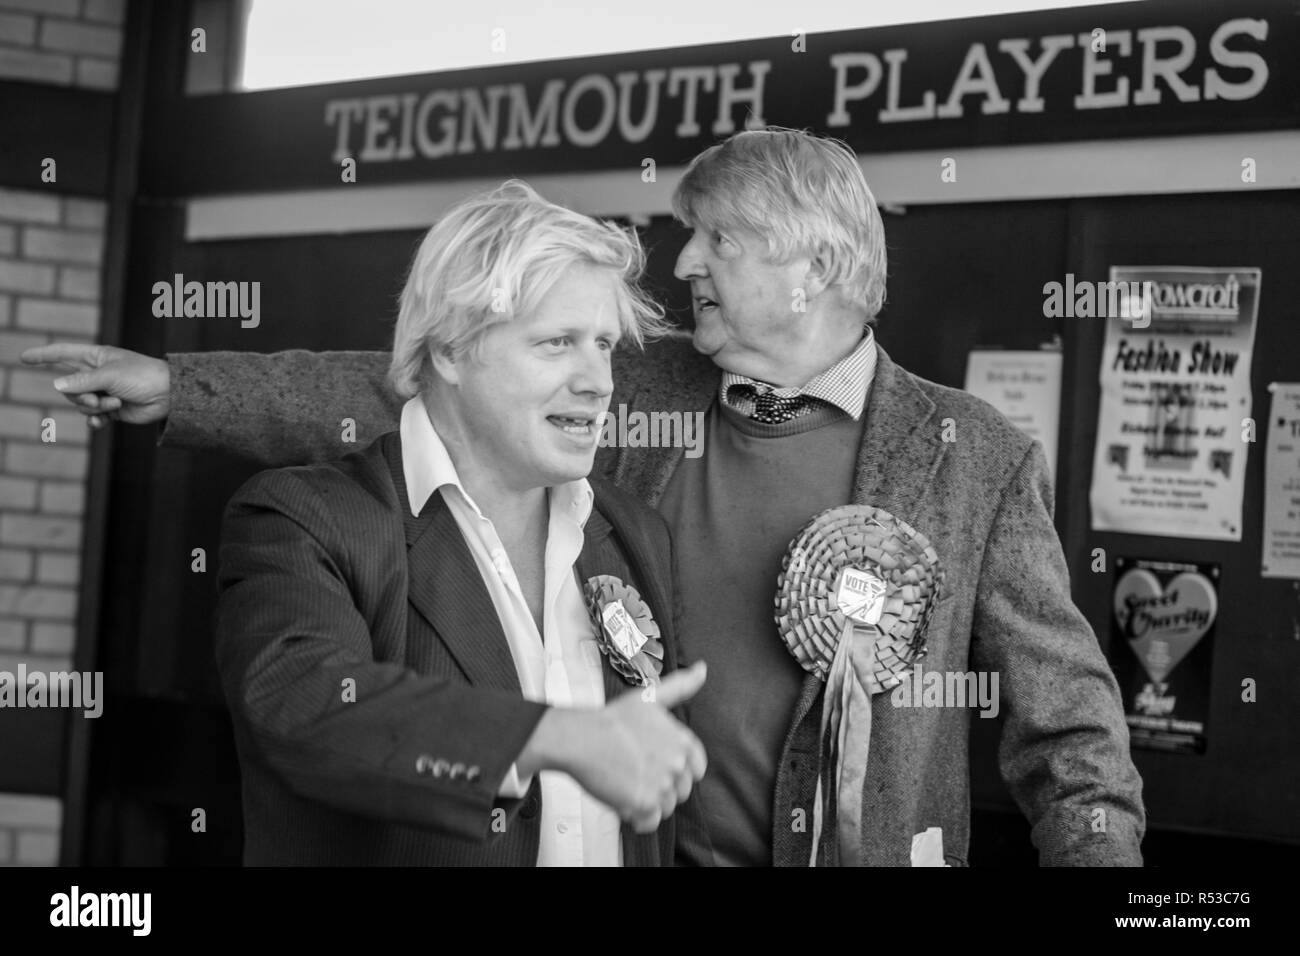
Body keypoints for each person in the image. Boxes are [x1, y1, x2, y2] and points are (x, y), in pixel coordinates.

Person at [25, 129, 1144, 867]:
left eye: (719, 238)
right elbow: (403, 381)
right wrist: (185, 387)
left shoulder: (971, 450)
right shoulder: (633, 384)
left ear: (813, 266)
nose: (685, 260)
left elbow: (1070, 723)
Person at [154, 180, 708, 865]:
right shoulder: (304, 517)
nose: (598, 381)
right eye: (557, 343)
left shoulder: (633, 533)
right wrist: (553, 737)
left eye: (604, 345)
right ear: (448, 350)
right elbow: (306, 706)